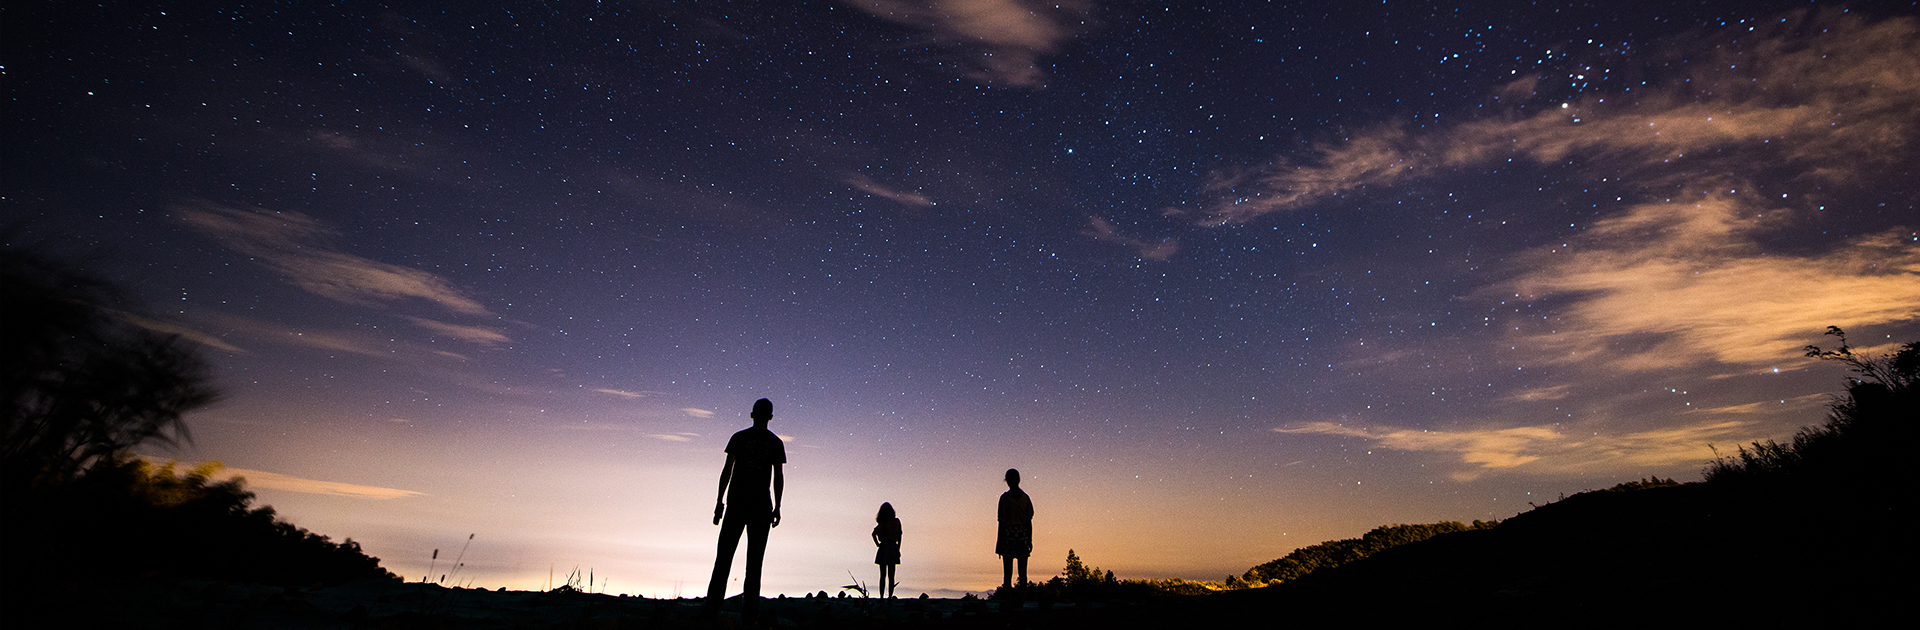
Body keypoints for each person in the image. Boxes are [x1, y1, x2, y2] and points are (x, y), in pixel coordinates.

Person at [704, 398, 786, 622]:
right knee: (754, 564)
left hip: (737, 504)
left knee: (723, 560)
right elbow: (778, 477)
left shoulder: (739, 438)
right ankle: (749, 619)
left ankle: (710, 614)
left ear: (752, 414)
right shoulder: (775, 442)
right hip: (761, 507)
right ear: (770, 417)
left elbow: (727, 471)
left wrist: (719, 500)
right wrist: (778, 506)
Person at [996, 468, 1033, 589]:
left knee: (1008, 573)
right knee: (1023, 573)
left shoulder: (1004, 499)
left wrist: (999, 542)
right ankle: (1021, 599)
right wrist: (1030, 540)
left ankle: (1009, 600)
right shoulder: (1026, 498)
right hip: (1022, 536)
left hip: (1008, 536)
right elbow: (1028, 522)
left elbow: (1001, 522)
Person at [872, 502, 902, 598]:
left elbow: (873, 534)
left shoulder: (882, 524)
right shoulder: (896, 522)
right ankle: (889, 597)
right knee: (891, 575)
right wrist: (898, 548)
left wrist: (877, 544)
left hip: (884, 547)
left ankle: (881, 597)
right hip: (892, 547)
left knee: (882, 575)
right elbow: (899, 536)